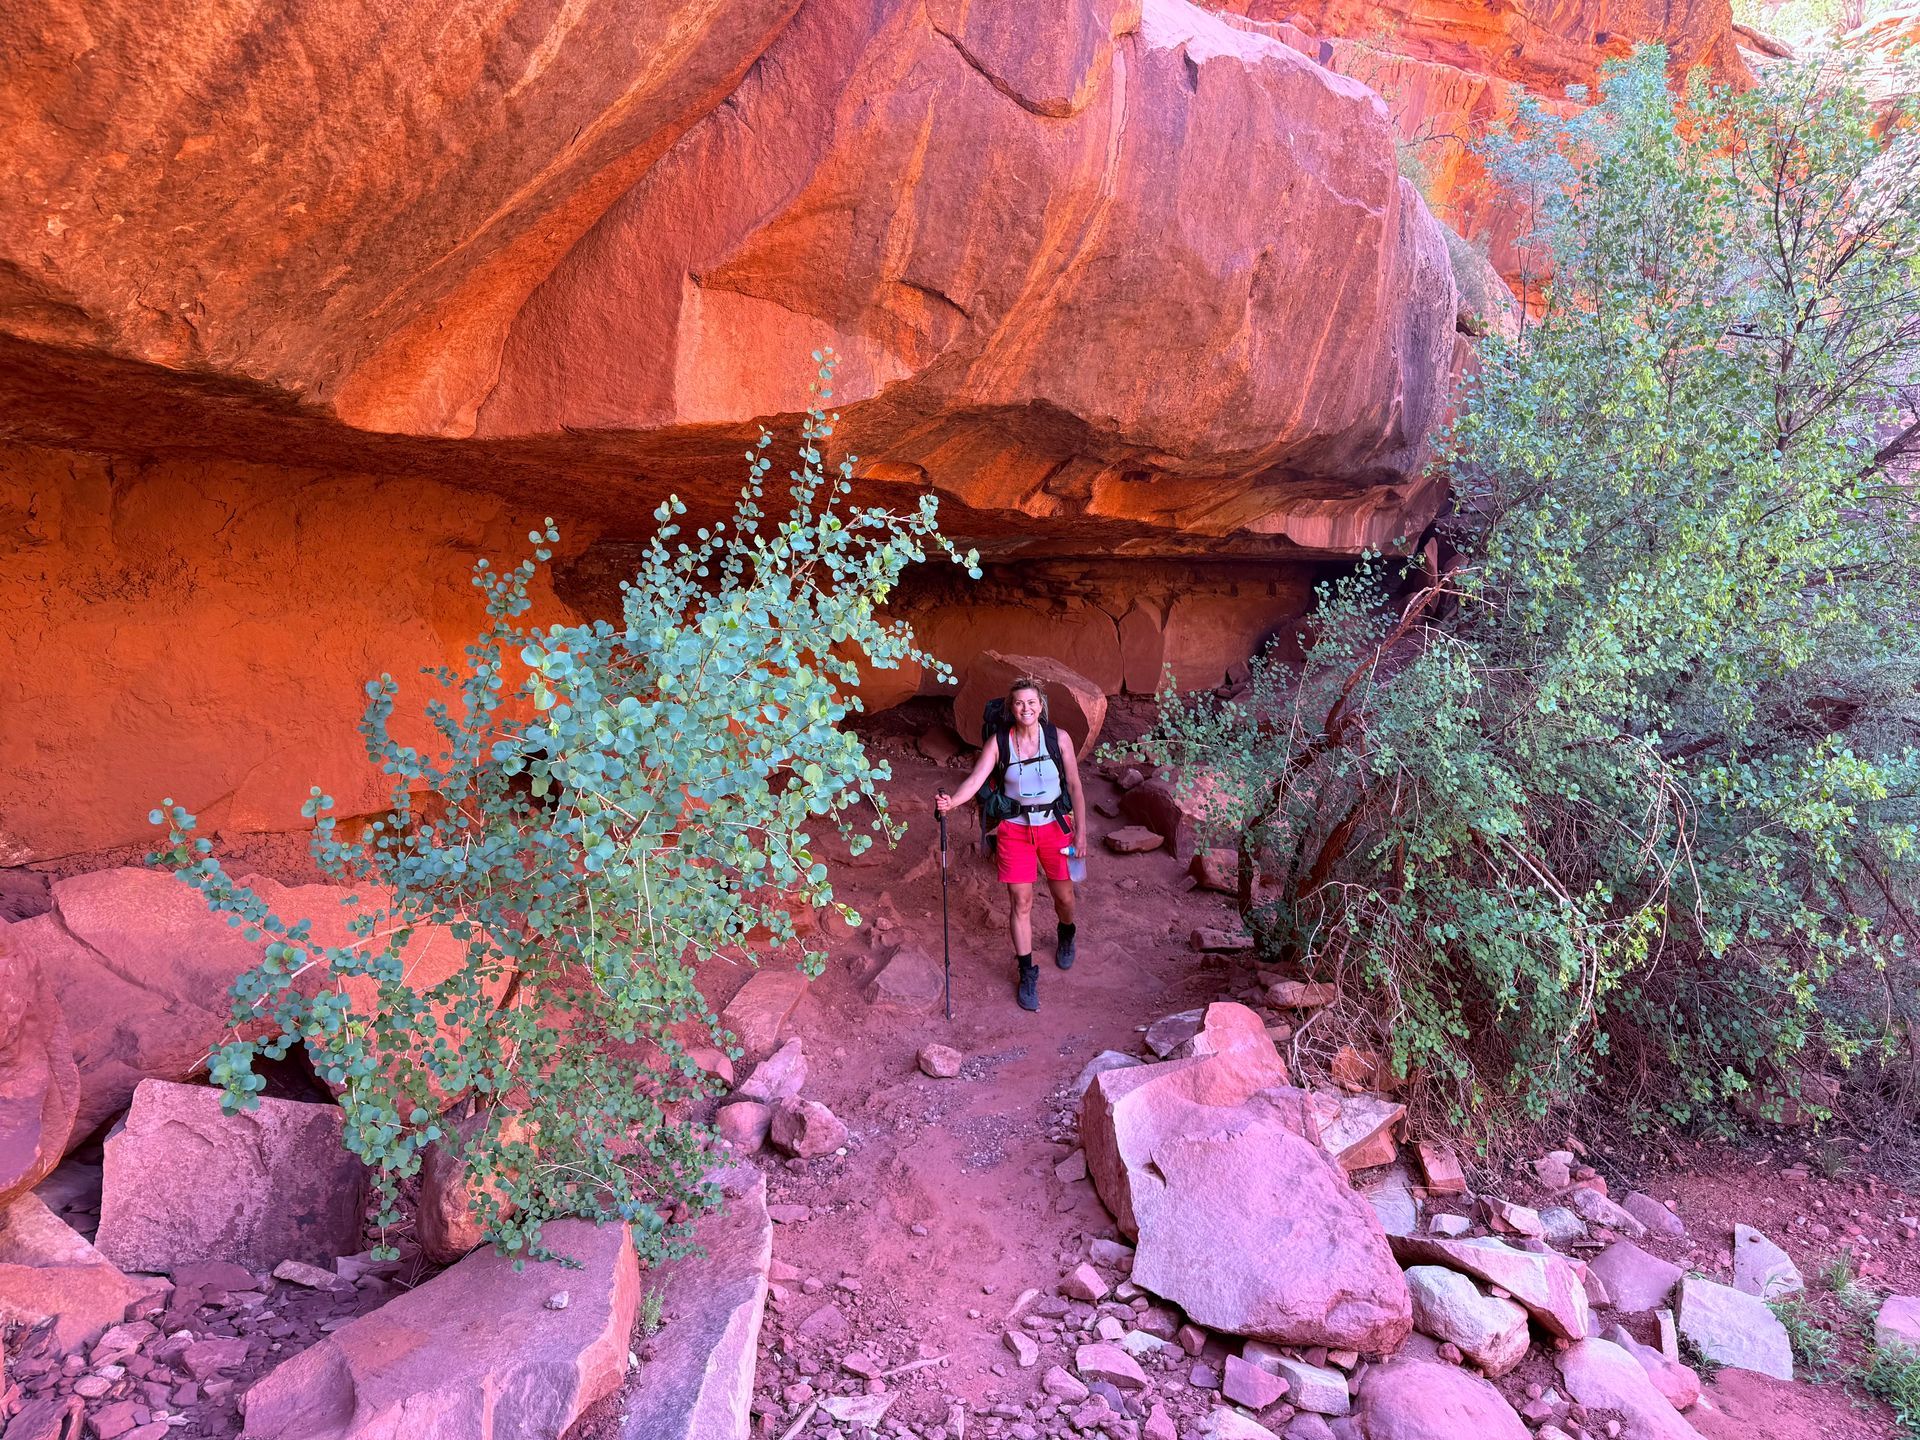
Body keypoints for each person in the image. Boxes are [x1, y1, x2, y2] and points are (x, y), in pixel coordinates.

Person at [936, 678, 1089, 1012]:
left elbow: (1075, 786)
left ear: (1041, 705)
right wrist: (953, 803)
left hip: (1055, 828)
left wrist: (1081, 833)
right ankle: (1027, 970)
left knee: (1064, 896)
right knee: (1021, 901)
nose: (1026, 709)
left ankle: (1066, 931)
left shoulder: (1058, 738)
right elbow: (976, 779)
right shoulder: (999, 742)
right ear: (1011, 707)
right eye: (1019, 703)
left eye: (1031, 702)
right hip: (1016, 830)